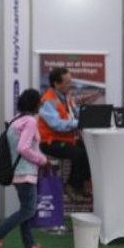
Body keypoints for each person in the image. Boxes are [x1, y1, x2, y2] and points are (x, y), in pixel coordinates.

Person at [0, 88, 51, 248]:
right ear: (35, 104)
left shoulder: (17, 120)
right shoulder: (29, 121)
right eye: (40, 103)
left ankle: (29, 246)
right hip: (26, 172)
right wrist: (42, 160)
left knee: (25, 210)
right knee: (28, 210)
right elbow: (23, 148)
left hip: (18, 172)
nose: (41, 105)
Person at [38, 67, 92, 202]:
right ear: (56, 84)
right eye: (67, 82)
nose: (70, 84)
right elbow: (56, 124)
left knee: (89, 149)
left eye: (70, 81)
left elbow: (75, 111)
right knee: (78, 154)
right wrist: (78, 123)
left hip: (65, 139)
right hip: (50, 142)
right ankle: (72, 186)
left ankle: (83, 184)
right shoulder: (48, 100)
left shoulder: (66, 96)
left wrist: (89, 116)